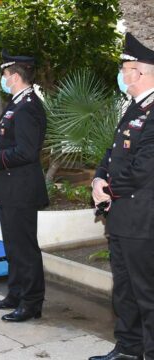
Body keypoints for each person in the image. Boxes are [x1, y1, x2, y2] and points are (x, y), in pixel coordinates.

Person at [90, 33, 154, 360]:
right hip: (120, 218)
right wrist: (99, 178)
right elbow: (112, 152)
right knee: (124, 291)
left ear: (139, 73)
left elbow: (144, 169)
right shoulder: (134, 107)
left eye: (125, 68)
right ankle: (128, 348)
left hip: (143, 220)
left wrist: (108, 190)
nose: (122, 74)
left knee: (147, 293)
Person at [0, 50, 48, 322]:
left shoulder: (28, 106)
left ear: (16, 77)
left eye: (6, 75)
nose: (4, 80)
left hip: (22, 189)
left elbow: (27, 152)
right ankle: (16, 292)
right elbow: (10, 143)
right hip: (10, 186)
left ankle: (32, 302)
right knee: (12, 245)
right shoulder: (16, 103)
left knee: (24, 247)